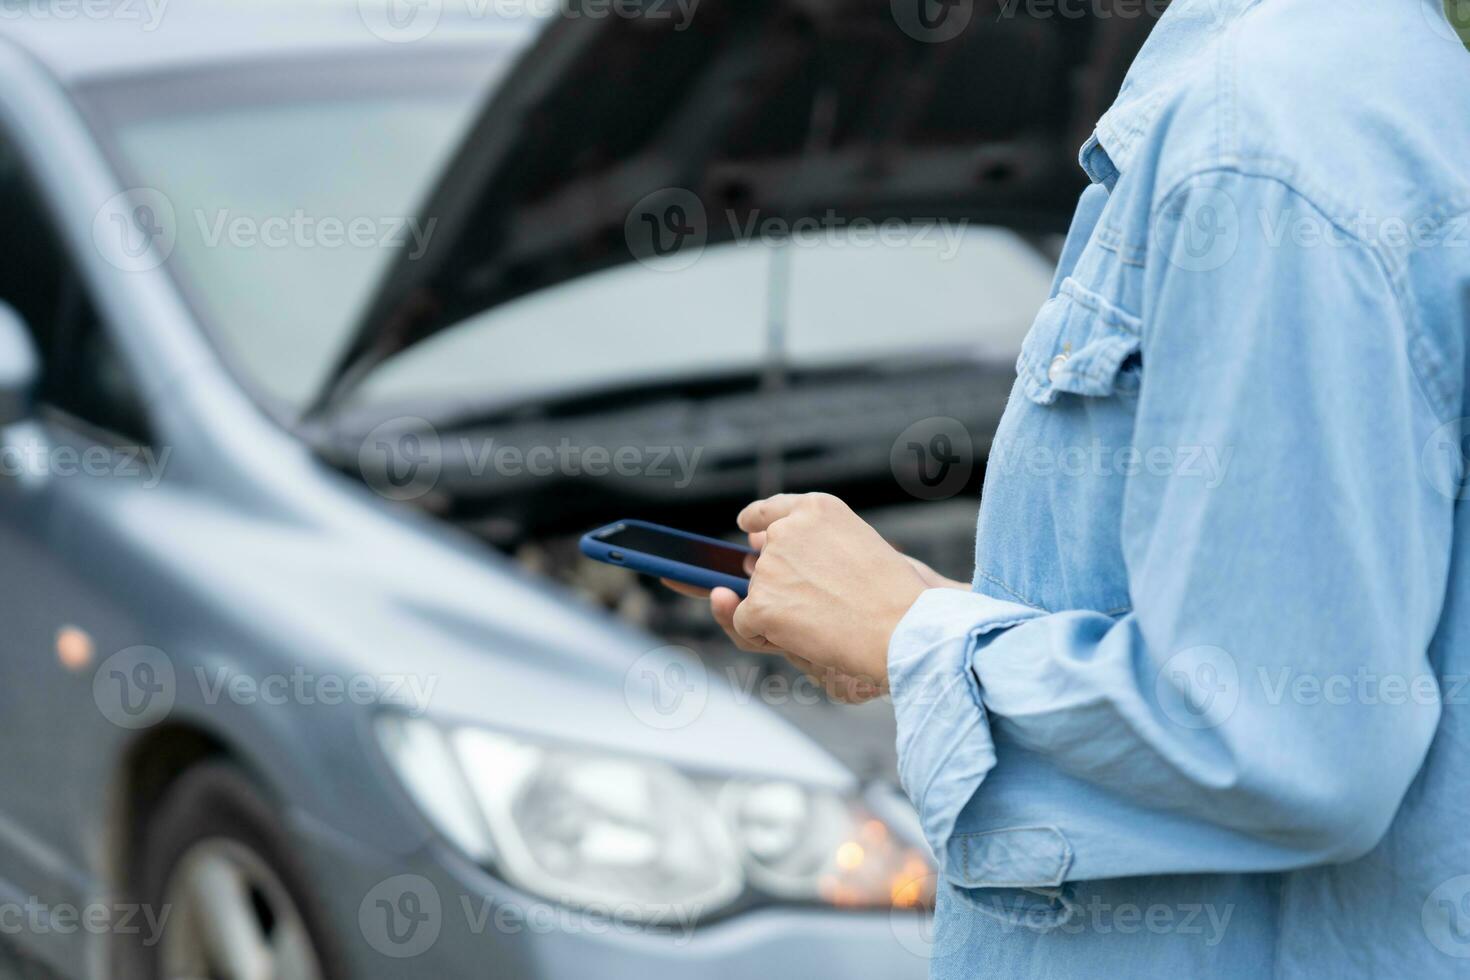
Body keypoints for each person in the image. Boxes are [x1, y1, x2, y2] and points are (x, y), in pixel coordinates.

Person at [667, 0, 1470, 974]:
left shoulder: (1260, 139)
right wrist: (924, 615)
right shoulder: (1334, 85)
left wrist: (914, 641)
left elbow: (1283, 735)